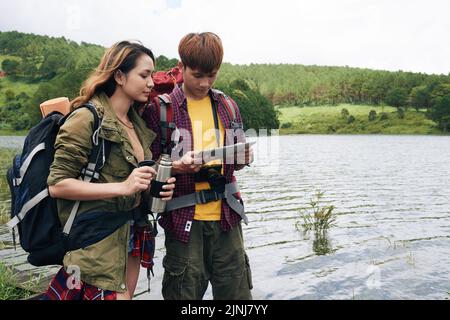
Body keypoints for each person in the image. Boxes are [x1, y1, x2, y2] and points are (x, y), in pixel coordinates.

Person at [42, 40, 176, 300]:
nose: (151, 83)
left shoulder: (137, 125)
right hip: (96, 243)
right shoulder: (86, 118)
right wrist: (124, 186)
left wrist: (154, 189)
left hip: (132, 235)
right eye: (144, 75)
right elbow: (57, 185)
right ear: (119, 76)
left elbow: (131, 185)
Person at [143, 32, 253, 300]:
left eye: (212, 75)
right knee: (183, 293)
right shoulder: (160, 109)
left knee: (237, 296)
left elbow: (235, 165)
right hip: (183, 221)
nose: (205, 83)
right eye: (197, 75)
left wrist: (243, 158)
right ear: (181, 68)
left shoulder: (228, 106)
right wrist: (177, 167)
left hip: (228, 218)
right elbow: (143, 167)